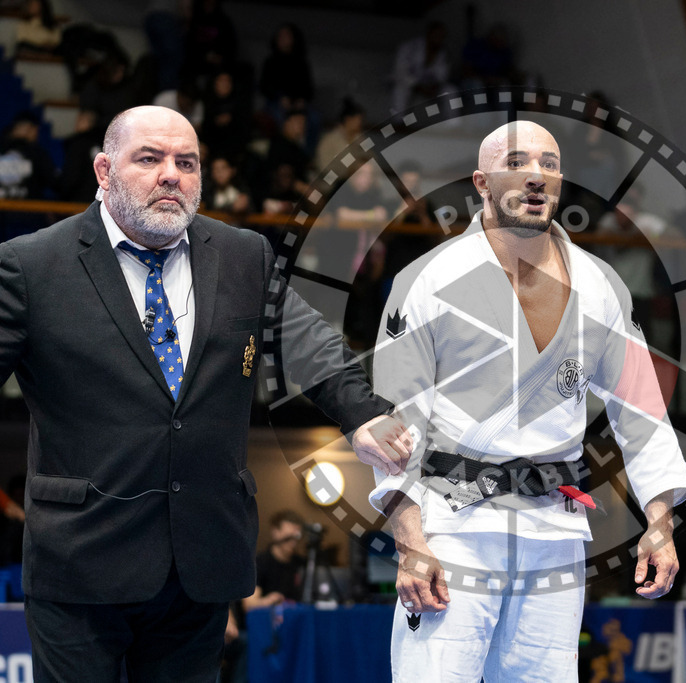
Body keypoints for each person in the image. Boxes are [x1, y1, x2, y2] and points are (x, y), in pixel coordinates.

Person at [0, 105, 412, 681]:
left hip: (201, 561)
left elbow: (308, 342)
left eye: (186, 162)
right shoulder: (31, 264)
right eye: (149, 158)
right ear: (103, 171)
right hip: (81, 564)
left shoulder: (244, 255)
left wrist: (362, 416)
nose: (171, 174)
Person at [369, 120, 686, 681]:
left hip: (555, 528)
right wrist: (410, 538)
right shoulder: (428, 279)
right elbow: (392, 419)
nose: (536, 175)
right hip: (454, 524)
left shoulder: (601, 285)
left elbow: (641, 413)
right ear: (482, 182)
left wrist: (660, 520)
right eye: (517, 162)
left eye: (549, 163)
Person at [244, 509, 306, 608]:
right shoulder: (260, 563)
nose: (293, 542)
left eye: (297, 537)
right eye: (288, 537)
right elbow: (250, 604)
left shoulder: (302, 564)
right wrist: (269, 600)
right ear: (275, 532)